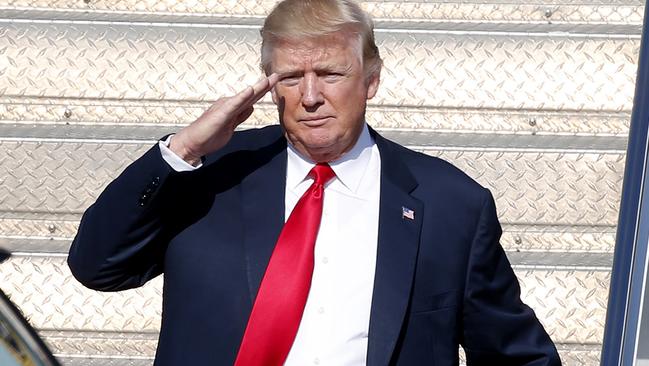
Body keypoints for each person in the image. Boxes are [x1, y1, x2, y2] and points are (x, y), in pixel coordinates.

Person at [68, 0, 561, 365]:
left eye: (329, 73)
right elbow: (97, 267)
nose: (310, 96)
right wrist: (183, 150)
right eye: (290, 77)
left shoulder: (450, 204)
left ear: (370, 79)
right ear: (267, 83)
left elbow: (514, 355)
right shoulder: (211, 174)